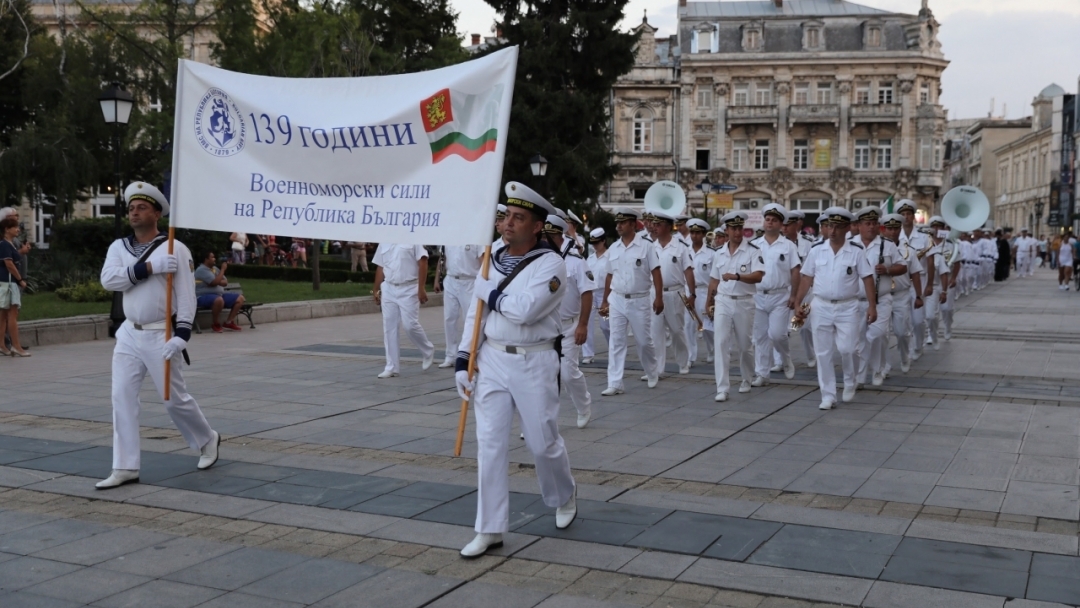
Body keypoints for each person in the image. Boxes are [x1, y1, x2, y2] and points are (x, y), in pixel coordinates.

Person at [454, 182, 577, 558]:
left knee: (542, 442)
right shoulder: (493, 256)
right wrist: (464, 358)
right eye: (506, 216)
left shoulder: (552, 264)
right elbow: (477, 315)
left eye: (518, 218)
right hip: (491, 358)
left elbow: (525, 310)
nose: (507, 224)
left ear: (538, 225)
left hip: (535, 360)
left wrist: (486, 289)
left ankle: (563, 494)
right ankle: (489, 528)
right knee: (489, 444)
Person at [97, 182, 219, 489]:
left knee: (172, 399)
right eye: (131, 208)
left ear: (156, 213)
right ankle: (125, 466)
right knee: (121, 397)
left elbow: (187, 296)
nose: (134, 213)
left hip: (160, 333)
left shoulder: (175, 247)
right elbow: (109, 280)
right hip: (129, 333)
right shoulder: (118, 247)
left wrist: (182, 335)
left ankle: (207, 438)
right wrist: (149, 267)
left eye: (141, 208)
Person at [792, 207, 876, 409]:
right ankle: (828, 395)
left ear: (847, 228)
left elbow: (867, 278)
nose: (833, 231)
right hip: (821, 305)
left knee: (848, 349)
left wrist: (872, 306)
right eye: (830, 226)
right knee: (823, 352)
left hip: (848, 306)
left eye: (838, 227)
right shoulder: (816, 250)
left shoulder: (856, 252)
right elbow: (807, 278)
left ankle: (849, 381)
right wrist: (797, 302)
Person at [599, 207, 662, 396]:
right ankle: (615, 382)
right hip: (617, 298)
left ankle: (652, 371)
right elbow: (609, 276)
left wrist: (658, 297)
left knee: (643, 342)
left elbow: (656, 273)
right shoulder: (614, 248)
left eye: (622, 222)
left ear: (633, 224)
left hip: (639, 299)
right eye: (617, 223)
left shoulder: (646, 246)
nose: (618, 226)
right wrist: (605, 301)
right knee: (616, 341)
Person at [704, 211, 764, 402]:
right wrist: (709, 301)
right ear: (727, 230)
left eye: (740, 228)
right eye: (734, 229)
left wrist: (737, 276)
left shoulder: (753, 250)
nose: (738, 232)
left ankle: (747, 378)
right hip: (723, 300)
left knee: (745, 346)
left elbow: (758, 276)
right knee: (720, 342)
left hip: (744, 301)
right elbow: (714, 279)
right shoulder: (719, 252)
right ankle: (722, 387)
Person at [543, 215, 595, 428]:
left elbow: (587, 293)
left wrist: (582, 325)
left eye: (546, 237)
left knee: (568, 373)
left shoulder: (576, 261)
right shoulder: (542, 259)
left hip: (569, 325)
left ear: (556, 235)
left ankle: (584, 406)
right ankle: (541, 421)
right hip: (546, 325)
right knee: (542, 375)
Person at [852, 207, 902, 387]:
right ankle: (861, 375)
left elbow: (902, 267)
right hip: (856, 301)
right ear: (858, 226)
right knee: (858, 340)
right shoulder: (850, 244)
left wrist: (888, 269)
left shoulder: (887, 245)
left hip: (881, 299)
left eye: (874, 223)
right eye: (867, 224)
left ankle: (879, 369)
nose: (871, 227)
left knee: (876, 335)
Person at [750, 204, 799, 386]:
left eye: (774, 220)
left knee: (778, 334)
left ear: (780, 224)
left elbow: (795, 271)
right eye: (767, 219)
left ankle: (785, 359)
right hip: (758, 295)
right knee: (760, 336)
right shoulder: (754, 245)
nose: (770, 223)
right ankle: (762, 374)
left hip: (780, 296)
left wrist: (794, 296)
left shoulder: (788, 246)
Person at [372, 241, 436, 378]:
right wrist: (376, 289)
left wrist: (421, 288)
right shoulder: (384, 240)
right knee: (389, 327)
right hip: (389, 287)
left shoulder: (414, 238)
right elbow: (380, 266)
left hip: (409, 287)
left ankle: (427, 349)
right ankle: (391, 366)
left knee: (410, 325)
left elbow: (423, 262)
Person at [649, 209, 694, 377]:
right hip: (654, 293)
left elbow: (688, 271)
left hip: (675, 293)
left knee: (677, 330)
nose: (654, 227)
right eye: (654, 224)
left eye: (658, 225)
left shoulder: (681, 247)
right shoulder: (650, 247)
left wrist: (692, 294)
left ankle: (683, 362)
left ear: (668, 227)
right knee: (656, 332)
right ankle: (657, 369)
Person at [882, 214, 923, 372]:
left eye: (895, 228)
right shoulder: (878, 249)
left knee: (901, 332)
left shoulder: (908, 251)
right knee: (882, 334)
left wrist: (919, 296)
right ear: (884, 230)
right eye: (889, 228)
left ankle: (905, 355)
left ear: (900, 229)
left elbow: (916, 274)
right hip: (882, 296)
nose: (892, 232)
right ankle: (884, 364)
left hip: (901, 295)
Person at [433, 242, 484, 368]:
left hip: (470, 281)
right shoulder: (451, 237)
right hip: (451, 279)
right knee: (449, 318)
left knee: (470, 319)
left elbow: (483, 261)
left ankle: (472, 354)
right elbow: (442, 258)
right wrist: (437, 279)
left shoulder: (477, 238)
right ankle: (450, 355)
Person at [784, 210, 816, 367]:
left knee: (805, 327)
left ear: (797, 224)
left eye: (789, 224)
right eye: (784, 224)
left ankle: (811, 355)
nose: (786, 227)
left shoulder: (809, 242)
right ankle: (781, 360)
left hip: (805, 289)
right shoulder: (780, 244)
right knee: (782, 329)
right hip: (785, 289)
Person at [194, 251, 246, 332]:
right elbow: (214, 282)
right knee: (219, 300)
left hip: (219, 294)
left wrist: (217, 281)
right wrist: (222, 270)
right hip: (202, 297)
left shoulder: (214, 269)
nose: (214, 259)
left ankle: (229, 322)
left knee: (240, 298)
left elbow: (225, 282)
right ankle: (215, 324)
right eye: (212, 257)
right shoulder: (201, 270)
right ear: (206, 259)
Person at [686, 219, 715, 364]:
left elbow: (715, 276)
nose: (694, 235)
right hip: (688, 291)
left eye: (697, 232)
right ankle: (690, 356)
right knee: (688, 325)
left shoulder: (711, 253)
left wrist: (713, 297)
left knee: (708, 326)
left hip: (705, 291)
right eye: (692, 232)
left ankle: (711, 350)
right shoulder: (684, 251)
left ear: (703, 234)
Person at [0, 217, 30, 357]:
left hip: (7, 282)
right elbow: (9, 264)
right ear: (7, 229)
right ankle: (16, 346)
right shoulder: (5, 244)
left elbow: (13, 258)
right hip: (9, 283)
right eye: (15, 227)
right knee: (12, 314)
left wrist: (22, 252)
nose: (18, 229)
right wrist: (20, 280)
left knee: (4, 315)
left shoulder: (9, 244)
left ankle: (2, 345)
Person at [582, 228, 609, 365]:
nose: (594, 245)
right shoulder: (590, 258)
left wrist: (606, 299)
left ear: (603, 241)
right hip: (591, 293)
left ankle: (613, 348)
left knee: (606, 325)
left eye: (597, 243)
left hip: (605, 294)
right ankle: (588, 353)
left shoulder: (610, 256)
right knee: (587, 322)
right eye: (593, 243)